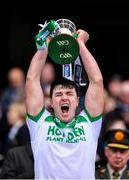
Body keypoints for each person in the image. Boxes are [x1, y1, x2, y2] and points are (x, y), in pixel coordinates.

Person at [25, 28, 104, 179]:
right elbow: (32, 79)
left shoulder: (89, 123)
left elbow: (97, 81)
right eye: (58, 94)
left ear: (77, 101)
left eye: (69, 94)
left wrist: (79, 44)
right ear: (51, 102)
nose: (64, 98)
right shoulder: (40, 123)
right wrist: (46, 45)